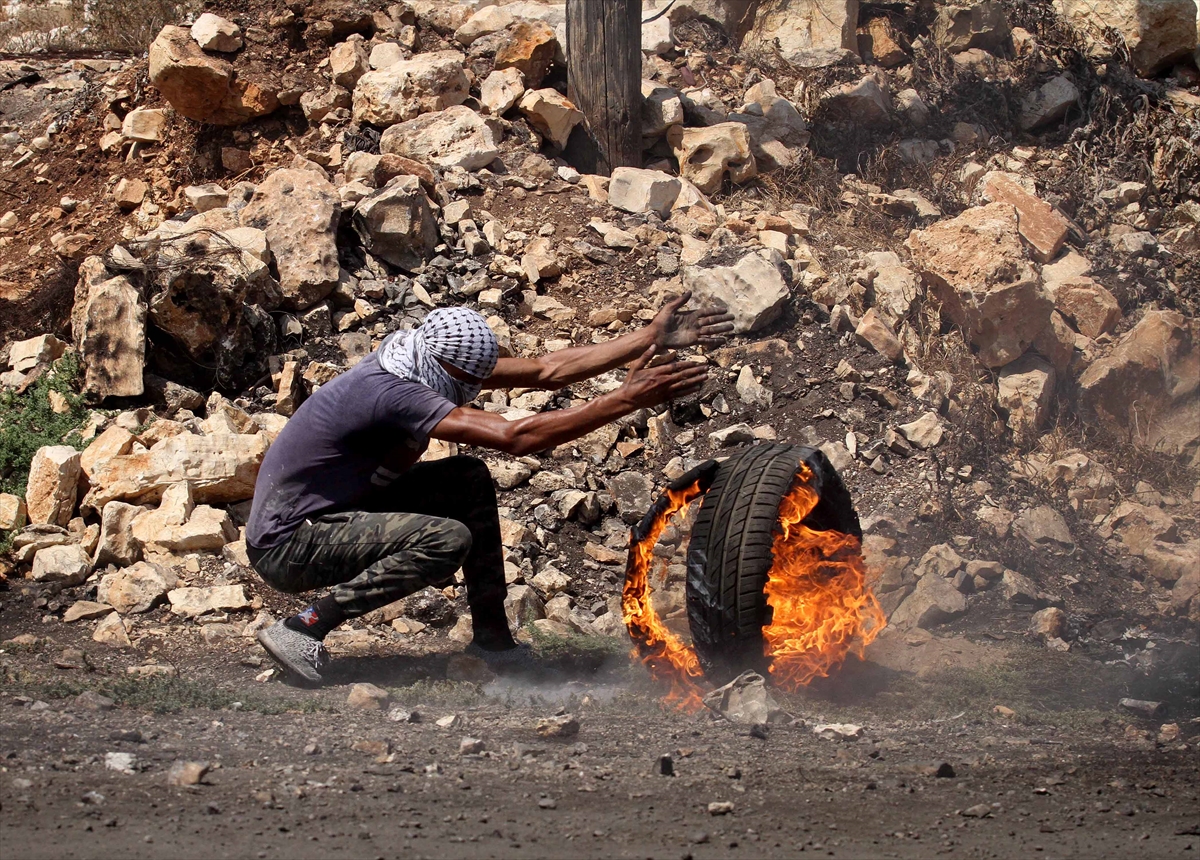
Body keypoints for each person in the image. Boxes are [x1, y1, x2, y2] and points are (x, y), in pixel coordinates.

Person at [247, 292, 734, 686]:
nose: (478, 386)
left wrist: (646, 337)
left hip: (338, 509)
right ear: (446, 370)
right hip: (289, 543)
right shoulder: (395, 393)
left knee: (468, 479)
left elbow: (546, 370)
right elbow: (516, 436)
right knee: (446, 539)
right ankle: (301, 628)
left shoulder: (422, 358)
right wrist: (626, 399)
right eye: (471, 381)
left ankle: (493, 641)